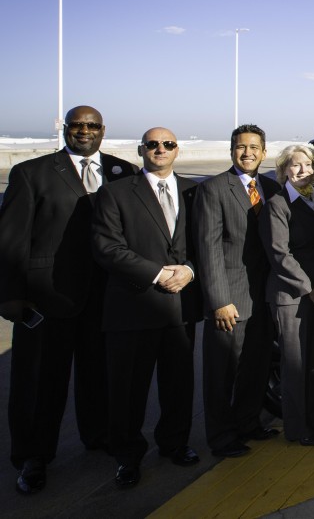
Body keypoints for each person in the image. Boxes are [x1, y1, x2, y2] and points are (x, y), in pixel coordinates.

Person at [0, 106, 136, 495]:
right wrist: (10, 296)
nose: (84, 131)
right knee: (40, 381)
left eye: (92, 125)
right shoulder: (33, 173)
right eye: (77, 125)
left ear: (103, 131)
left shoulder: (121, 170)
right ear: (66, 130)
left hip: (106, 297)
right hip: (49, 298)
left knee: (100, 375)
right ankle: (32, 455)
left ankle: (99, 435)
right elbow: (10, 240)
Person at [91, 127, 201, 488]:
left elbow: (205, 241)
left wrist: (187, 269)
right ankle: (127, 456)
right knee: (128, 390)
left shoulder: (194, 191)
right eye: (152, 144)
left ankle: (175, 443)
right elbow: (107, 247)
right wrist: (156, 273)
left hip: (179, 306)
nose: (160, 149)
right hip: (133, 307)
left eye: (167, 144)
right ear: (142, 150)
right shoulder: (115, 193)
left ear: (176, 150)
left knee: (178, 385)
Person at [194, 124, 281, 458]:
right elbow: (208, 249)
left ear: (263, 151)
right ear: (232, 150)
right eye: (241, 147)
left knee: (255, 367)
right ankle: (221, 436)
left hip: (263, 298)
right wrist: (219, 301)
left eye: (254, 147)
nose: (248, 153)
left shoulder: (271, 188)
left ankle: (248, 423)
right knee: (222, 373)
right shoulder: (214, 189)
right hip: (230, 298)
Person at [259, 144, 314, 446]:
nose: (303, 171)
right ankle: (298, 428)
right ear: (284, 169)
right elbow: (279, 253)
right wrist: (309, 287)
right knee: (295, 364)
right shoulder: (278, 204)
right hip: (292, 294)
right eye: (296, 165)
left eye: (309, 165)